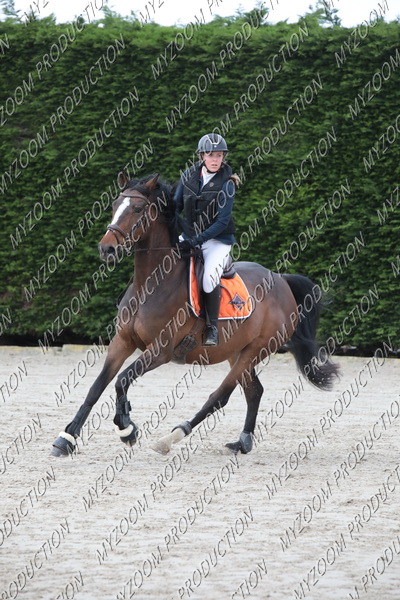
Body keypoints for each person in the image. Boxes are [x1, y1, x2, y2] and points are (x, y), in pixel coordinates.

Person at [174, 133, 238, 346]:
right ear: (202, 156)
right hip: (190, 235)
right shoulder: (188, 176)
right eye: (211, 155)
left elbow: (222, 222)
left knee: (209, 277)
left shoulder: (227, 184)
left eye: (219, 155)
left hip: (217, 241)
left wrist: (196, 240)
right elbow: (176, 207)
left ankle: (212, 328)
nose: (215, 159)